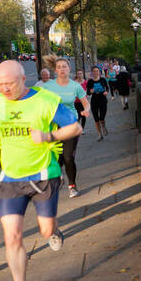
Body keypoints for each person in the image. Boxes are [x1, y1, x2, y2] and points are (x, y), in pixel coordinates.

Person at [0, 60, 82, 281]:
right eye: (0, 84)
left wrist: (48, 136)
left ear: (23, 79)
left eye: (9, 84)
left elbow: (75, 126)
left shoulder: (46, 100)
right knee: (12, 236)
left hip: (44, 175)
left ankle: (54, 230)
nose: (4, 89)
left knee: (45, 230)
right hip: (11, 179)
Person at [41, 57, 87, 198]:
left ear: (69, 69)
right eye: (59, 67)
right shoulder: (47, 86)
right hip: (53, 125)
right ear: (55, 70)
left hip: (70, 124)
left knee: (68, 157)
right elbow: (39, 103)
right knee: (57, 157)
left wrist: (87, 110)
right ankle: (58, 177)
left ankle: (72, 185)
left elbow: (86, 103)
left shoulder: (75, 86)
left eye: (64, 67)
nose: (62, 69)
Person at [85, 66, 109, 140]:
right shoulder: (90, 81)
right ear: (92, 73)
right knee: (96, 119)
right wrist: (90, 92)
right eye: (94, 71)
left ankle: (103, 125)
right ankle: (99, 134)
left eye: (97, 71)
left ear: (99, 72)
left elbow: (107, 88)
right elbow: (88, 92)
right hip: (94, 101)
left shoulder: (103, 80)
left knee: (102, 118)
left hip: (103, 100)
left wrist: (106, 92)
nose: (96, 72)